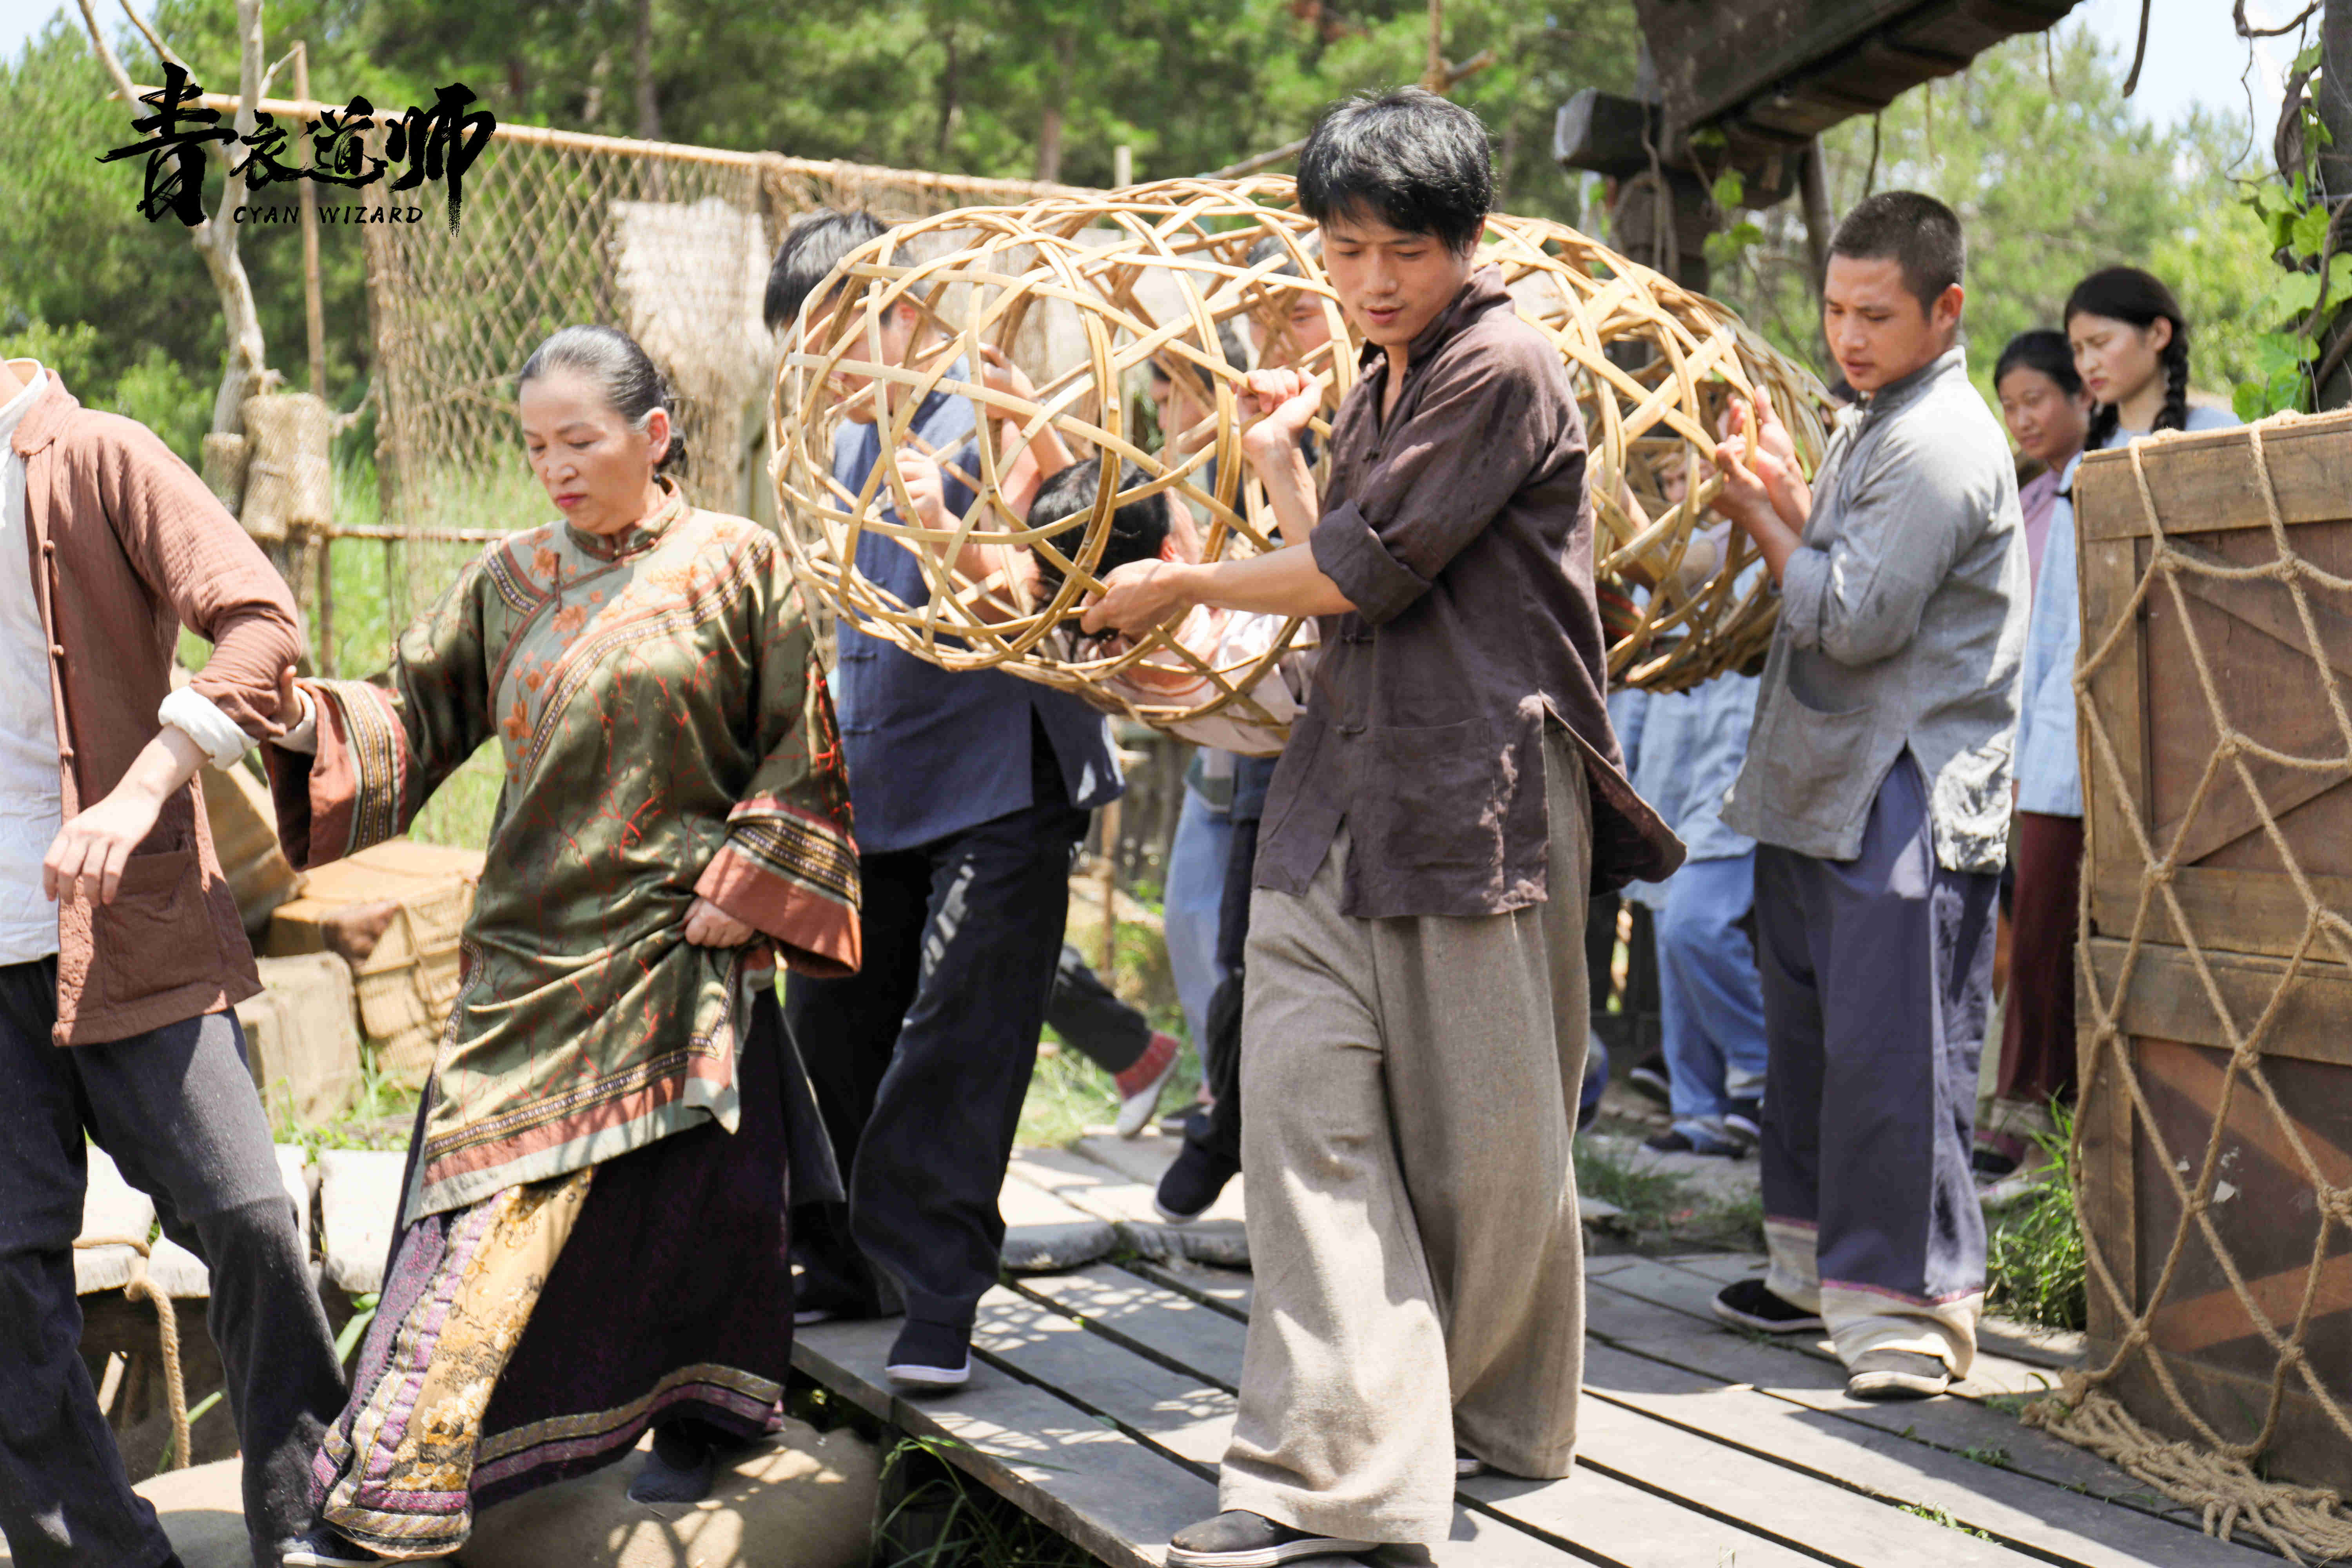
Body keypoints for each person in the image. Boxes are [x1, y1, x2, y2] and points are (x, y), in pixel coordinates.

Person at [1086, 89, 1679, 1563]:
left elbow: (1369, 572)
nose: (1367, 281)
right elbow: (1340, 555)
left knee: (1491, 1151)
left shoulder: (1505, 363)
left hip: (1477, 801)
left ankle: (1493, 1426)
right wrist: (1280, 473)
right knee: (1297, 1116)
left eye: (1397, 251)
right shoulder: (1376, 380)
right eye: (1343, 250)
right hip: (1334, 804)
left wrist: (1186, 585)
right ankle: (1333, 1478)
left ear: (1465, 240)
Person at [272, 326, 858, 1564]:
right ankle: (401, 1485)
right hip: (525, 960)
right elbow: (409, 710)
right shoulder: (510, 575)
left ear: (655, 435)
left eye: (580, 441)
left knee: (699, 1209)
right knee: (470, 1223)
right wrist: (288, 718)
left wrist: (749, 881)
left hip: (674, 946)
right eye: (537, 445)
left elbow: (801, 746)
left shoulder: (740, 567)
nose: (556, 467)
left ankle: (705, 1414)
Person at [766, 209, 1124, 1390]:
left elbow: (1034, 592)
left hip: (1002, 772)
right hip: (884, 776)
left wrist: (947, 521)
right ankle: (855, 1260)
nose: (812, 376)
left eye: (828, 345)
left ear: (900, 318)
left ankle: (938, 1291)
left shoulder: (995, 416)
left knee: (960, 1029)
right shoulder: (852, 442)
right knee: (829, 1015)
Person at [0, 354, 348, 1568]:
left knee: (249, 1217)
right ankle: (91, 1553)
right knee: (8, 1275)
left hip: (131, 926)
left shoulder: (95, 455)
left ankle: (308, 1523)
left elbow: (262, 622)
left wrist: (143, 789)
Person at [1701, 190, 2026, 1403]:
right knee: (1816, 1047)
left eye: (1876, 315)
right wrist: (1790, 494)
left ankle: (1909, 1321)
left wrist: (1755, 516)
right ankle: (1810, 1275)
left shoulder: (1940, 442)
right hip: (1827, 779)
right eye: (1836, 308)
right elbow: (1840, 567)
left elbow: (1850, 617)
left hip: (1905, 788)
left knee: (1897, 1058)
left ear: (1948, 311)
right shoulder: (1875, 420)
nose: (1848, 335)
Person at [1988, 271, 2236, 1202]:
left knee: (2160, 945)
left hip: (2171, 741)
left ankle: (2148, 1151)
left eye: (2102, 343)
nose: (2088, 362)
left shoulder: (2213, 438)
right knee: (2048, 930)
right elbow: (2052, 627)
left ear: (2160, 334)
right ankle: (2031, 1143)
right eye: (2079, 347)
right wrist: (2028, 744)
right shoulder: (2082, 461)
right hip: (2063, 734)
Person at [1624, 463, 1769, 1159]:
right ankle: (1699, 1109)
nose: (1681, 487)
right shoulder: (1659, 571)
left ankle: (1766, 1069)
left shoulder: (1756, 558)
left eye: (1691, 473)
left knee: (1696, 929)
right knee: (1668, 938)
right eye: (1670, 476)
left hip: (1734, 778)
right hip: (1671, 778)